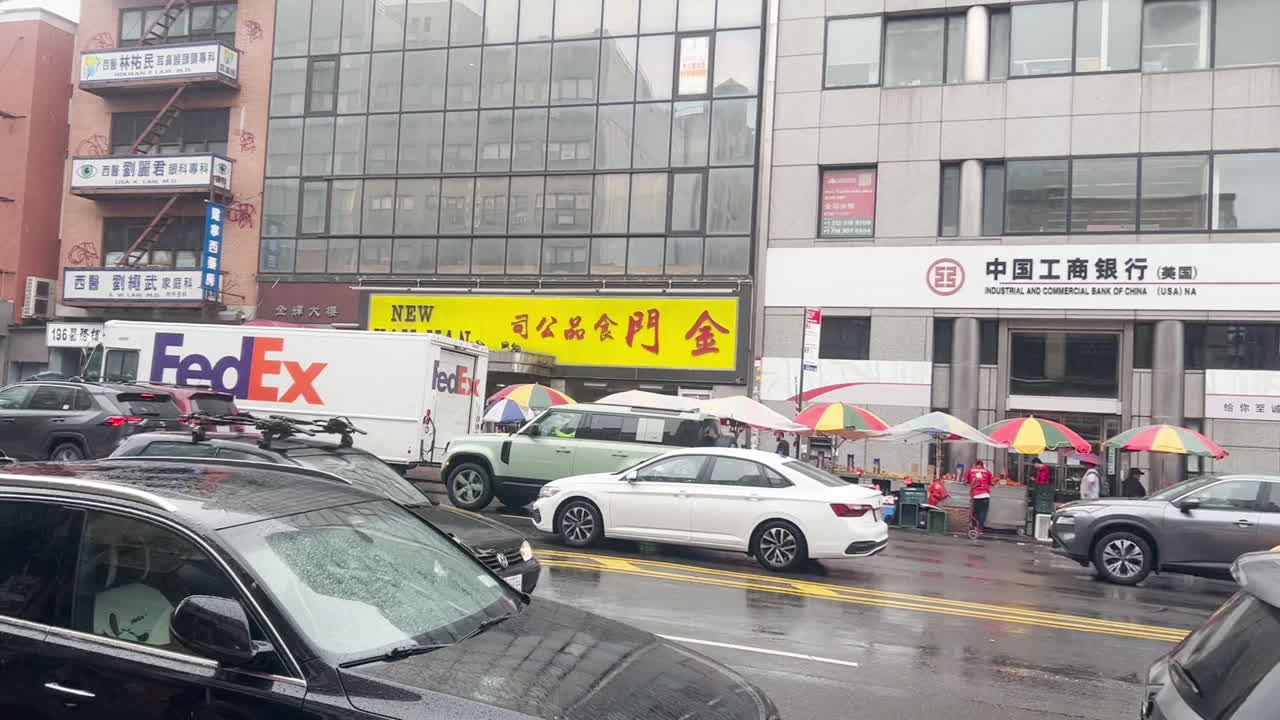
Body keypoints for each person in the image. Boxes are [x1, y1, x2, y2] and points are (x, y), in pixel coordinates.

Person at [964, 460, 994, 534]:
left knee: (974, 513)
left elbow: (965, 481)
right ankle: (980, 529)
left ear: (975, 465)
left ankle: (974, 527)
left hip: (975, 496)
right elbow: (992, 483)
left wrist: (969, 481)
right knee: (982, 513)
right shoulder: (987, 471)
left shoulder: (970, 471)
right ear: (982, 465)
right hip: (985, 495)